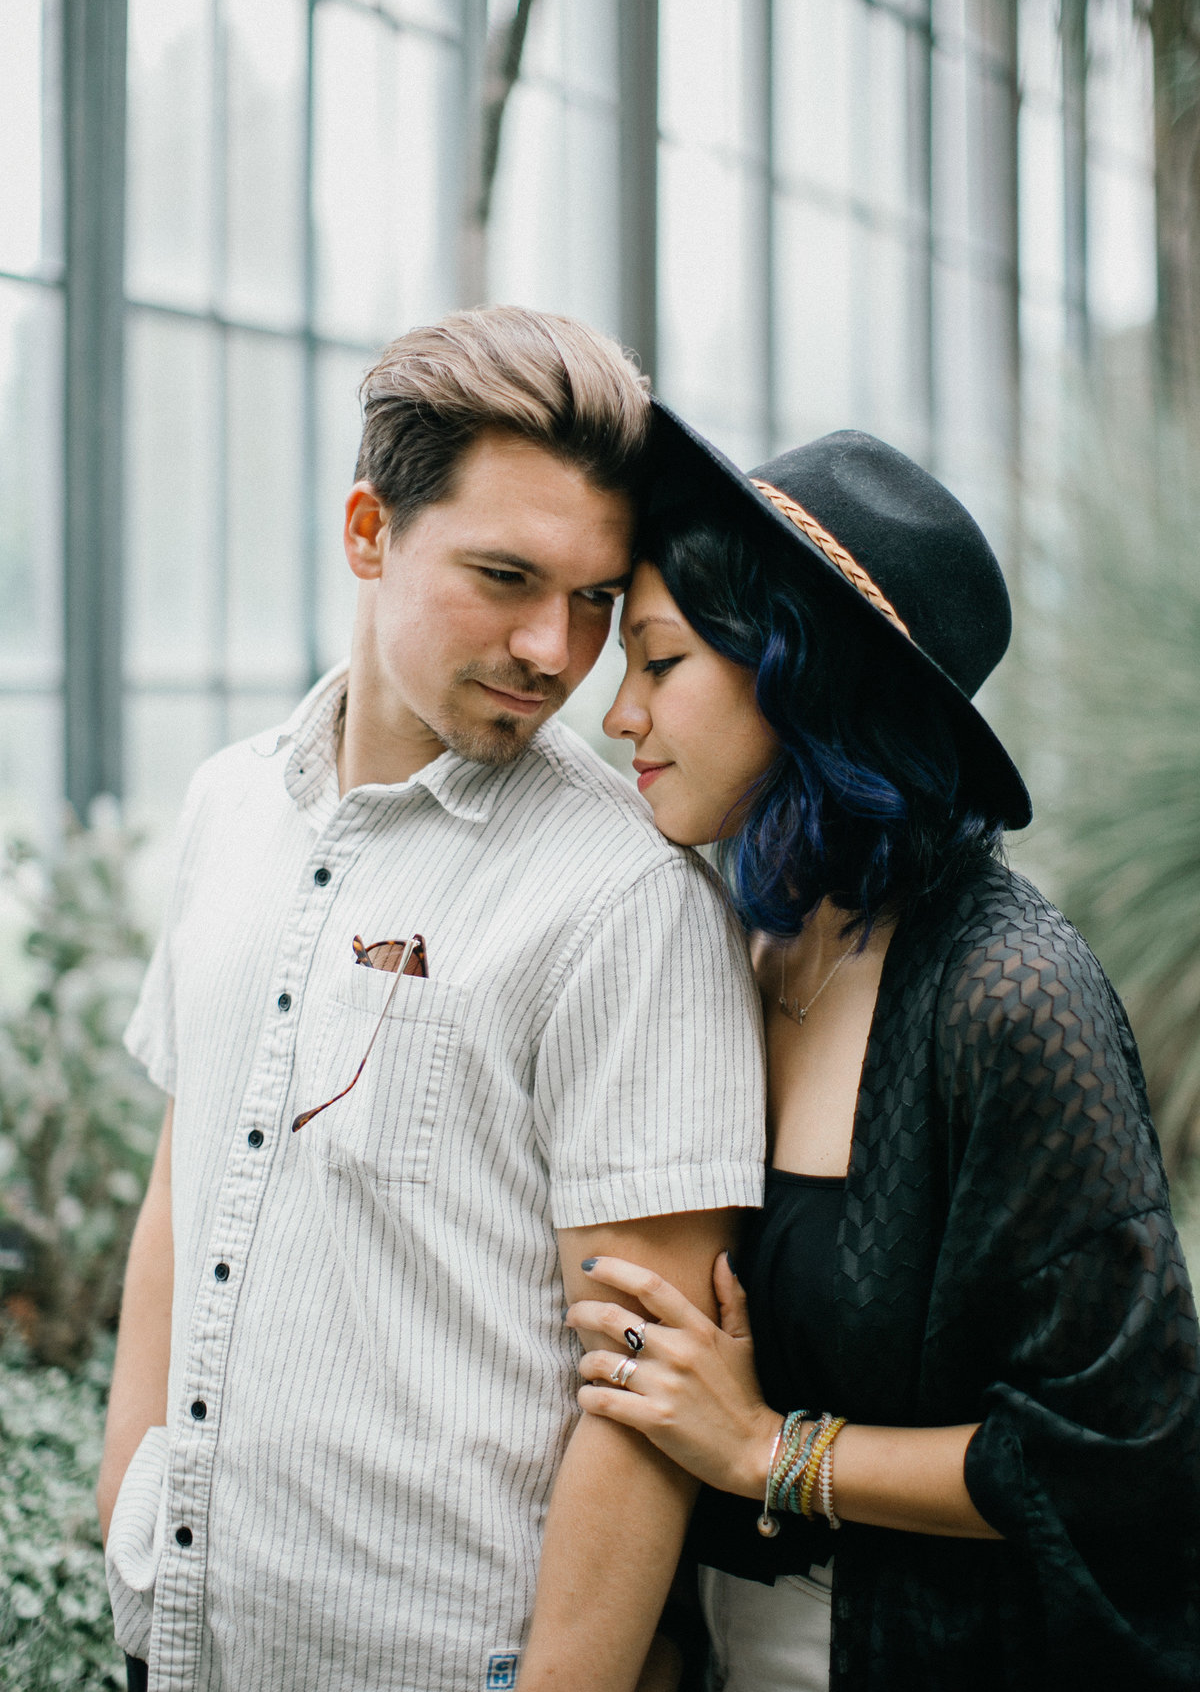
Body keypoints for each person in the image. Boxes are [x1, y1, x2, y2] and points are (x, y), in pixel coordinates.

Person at [97, 313, 768, 1692]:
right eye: (507, 576)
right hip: (184, 1640)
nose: (553, 648)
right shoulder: (227, 807)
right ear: (367, 530)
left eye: (594, 600)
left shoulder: (626, 899)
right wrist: (128, 1522)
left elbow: (642, 1392)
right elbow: (185, 1184)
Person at [567, 408, 1200, 1691]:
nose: (619, 716)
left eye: (662, 661)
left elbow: (1116, 1451)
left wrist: (766, 1451)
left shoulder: (1010, 998)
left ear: (802, 674)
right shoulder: (731, 939)